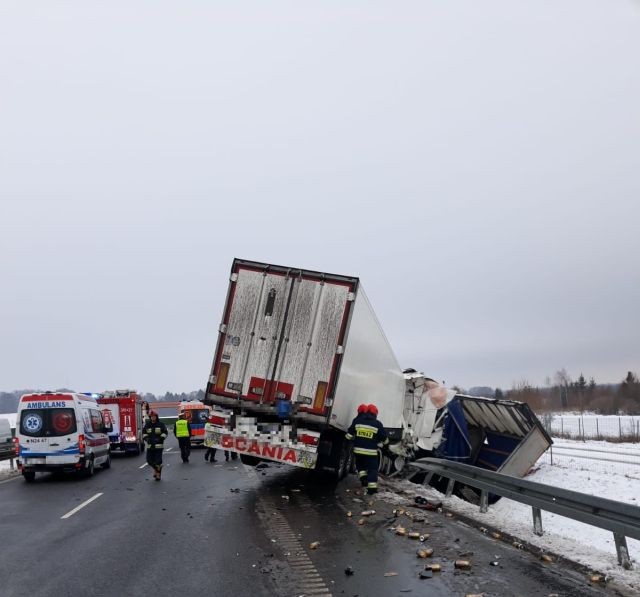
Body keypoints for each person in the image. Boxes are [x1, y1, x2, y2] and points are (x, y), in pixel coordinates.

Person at [345, 403, 389, 495]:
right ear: (376, 414)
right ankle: (372, 489)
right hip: (371, 453)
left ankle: (364, 479)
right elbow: (385, 439)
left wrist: (348, 440)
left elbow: (349, 436)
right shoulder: (378, 424)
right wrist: (385, 444)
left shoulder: (357, 421)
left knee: (360, 466)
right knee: (372, 469)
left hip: (358, 451)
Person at [142, 410, 168, 480]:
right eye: (151, 417)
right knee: (149, 461)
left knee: (158, 461)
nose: (153, 418)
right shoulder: (147, 425)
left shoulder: (161, 424)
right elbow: (144, 433)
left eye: (154, 416)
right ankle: (157, 469)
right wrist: (146, 439)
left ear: (156, 417)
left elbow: (165, 432)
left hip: (159, 446)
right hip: (150, 446)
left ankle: (158, 475)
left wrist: (161, 438)